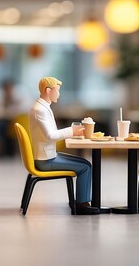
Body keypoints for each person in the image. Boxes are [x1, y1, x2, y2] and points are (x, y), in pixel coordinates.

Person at [28, 76, 99, 215]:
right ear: (48, 90)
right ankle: (81, 205)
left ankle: (82, 201)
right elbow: (51, 135)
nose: (59, 94)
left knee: (85, 163)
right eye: (57, 90)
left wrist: (71, 131)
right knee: (85, 167)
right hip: (45, 160)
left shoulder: (42, 107)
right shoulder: (40, 110)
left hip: (48, 155)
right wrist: (72, 131)